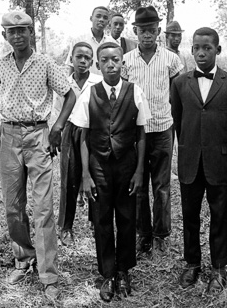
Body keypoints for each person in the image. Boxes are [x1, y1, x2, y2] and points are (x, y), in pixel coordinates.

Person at [0, 11, 76, 300]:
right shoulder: (0, 66)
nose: (18, 35)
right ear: (4, 36)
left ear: (31, 32)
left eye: (23, 30)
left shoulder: (45, 63)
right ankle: (23, 257)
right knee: (13, 205)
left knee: (43, 207)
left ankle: (49, 276)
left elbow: (69, 94)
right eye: (12, 31)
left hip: (39, 136)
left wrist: (58, 127)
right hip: (8, 136)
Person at [73, 42, 150, 302]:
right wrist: (85, 174)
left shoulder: (134, 91)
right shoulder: (89, 94)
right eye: (104, 60)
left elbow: (141, 133)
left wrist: (139, 171)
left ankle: (123, 270)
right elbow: (83, 136)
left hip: (127, 165)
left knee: (127, 217)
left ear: (122, 62)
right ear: (98, 64)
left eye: (115, 59)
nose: (110, 64)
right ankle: (107, 273)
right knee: (102, 219)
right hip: (99, 167)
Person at [170, 27, 227, 294]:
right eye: (197, 48)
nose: (201, 53)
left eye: (207, 48)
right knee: (189, 215)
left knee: (219, 215)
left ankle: (219, 267)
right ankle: (192, 263)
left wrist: (225, 152)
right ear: (191, 50)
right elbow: (178, 122)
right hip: (190, 160)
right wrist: (188, 148)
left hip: (218, 160)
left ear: (218, 50)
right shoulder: (179, 83)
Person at [122, 6, 183, 256]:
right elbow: (122, 96)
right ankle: (143, 234)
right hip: (137, 133)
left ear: (159, 31)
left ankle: (161, 234)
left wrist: (178, 128)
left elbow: (180, 93)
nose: (147, 35)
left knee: (162, 185)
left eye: (151, 30)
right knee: (138, 185)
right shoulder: (126, 61)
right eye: (142, 30)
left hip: (162, 129)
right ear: (135, 31)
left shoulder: (171, 59)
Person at [54, 42, 102, 246]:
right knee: (69, 178)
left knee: (97, 177)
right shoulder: (64, 84)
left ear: (92, 62)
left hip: (94, 133)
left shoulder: (98, 82)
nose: (82, 61)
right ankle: (66, 226)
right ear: (71, 59)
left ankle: (96, 221)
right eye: (78, 57)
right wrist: (58, 134)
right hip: (70, 131)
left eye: (87, 58)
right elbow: (58, 113)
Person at [64, 6, 117, 75]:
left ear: (108, 22)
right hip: (83, 85)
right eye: (98, 16)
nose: (101, 19)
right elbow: (72, 68)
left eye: (105, 18)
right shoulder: (78, 41)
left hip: (105, 85)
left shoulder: (112, 44)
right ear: (91, 18)